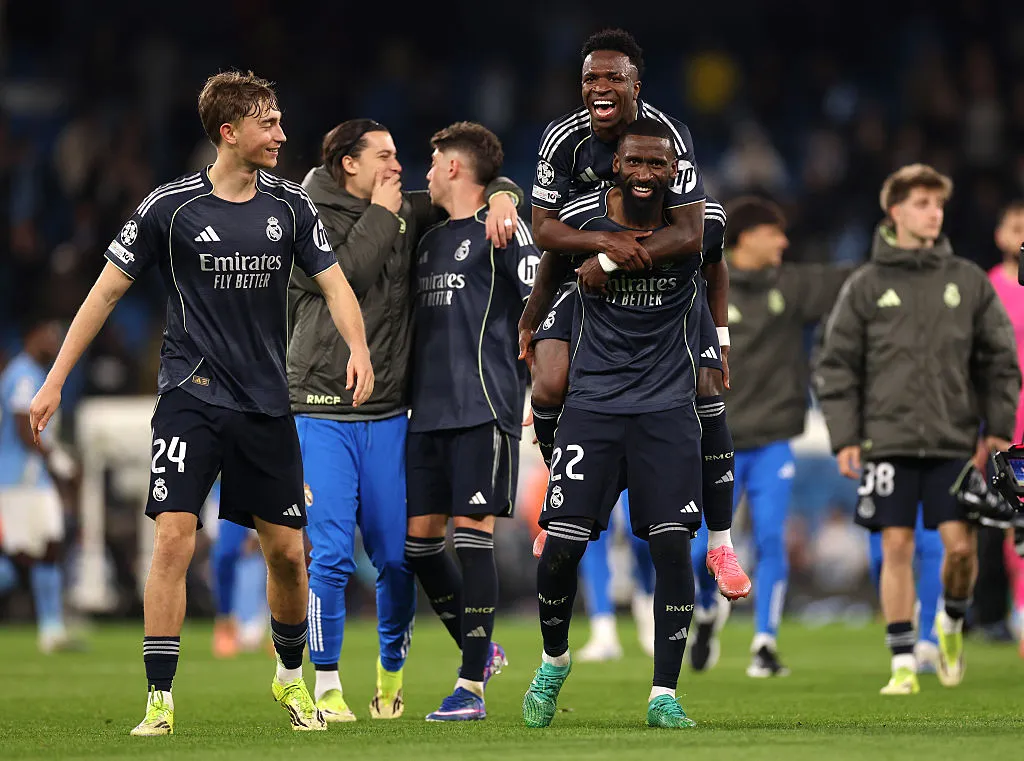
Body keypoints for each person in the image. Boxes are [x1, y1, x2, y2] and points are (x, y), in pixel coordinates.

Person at [28, 71, 374, 735]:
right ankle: (160, 698)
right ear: (229, 132)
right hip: (191, 395)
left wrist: (357, 348)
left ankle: (289, 675)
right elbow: (104, 293)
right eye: (267, 123)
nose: (280, 133)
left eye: (278, 121)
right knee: (173, 540)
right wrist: (54, 380)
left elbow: (334, 286)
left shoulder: (291, 207)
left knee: (286, 555)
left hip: (267, 403)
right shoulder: (170, 208)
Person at [288, 119, 522, 721]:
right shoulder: (299, 212)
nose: (400, 166)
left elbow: (475, 188)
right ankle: (326, 687)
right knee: (334, 555)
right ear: (349, 164)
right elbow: (352, 274)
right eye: (386, 156)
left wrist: (505, 195)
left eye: (404, 156)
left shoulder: (412, 213)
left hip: (394, 410)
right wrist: (387, 216)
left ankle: (392, 677)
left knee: (398, 556)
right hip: (323, 405)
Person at [521, 28, 747, 597]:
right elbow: (546, 231)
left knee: (708, 388)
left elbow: (696, 234)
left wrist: (718, 332)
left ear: (635, 85)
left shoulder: (668, 136)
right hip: (587, 277)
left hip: (667, 288)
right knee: (547, 386)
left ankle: (719, 542)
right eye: (590, 78)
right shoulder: (564, 139)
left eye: (612, 78)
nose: (599, 88)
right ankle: (562, 497)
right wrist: (537, 308)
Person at [523, 118, 705, 730]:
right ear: (616, 165)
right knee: (560, 553)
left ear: (673, 168)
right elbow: (548, 253)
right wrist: (531, 318)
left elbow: (710, 250)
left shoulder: (693, 223)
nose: (648, 175)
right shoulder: (582, 217)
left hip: (665, 408)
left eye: (660, 164)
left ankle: (664, 695)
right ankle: (554, 660)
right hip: (594, 407)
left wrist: (722, 337)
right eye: (637, 163)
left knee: (673, 550)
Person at [815, 163, 1020, 695]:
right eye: (924, 204)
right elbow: (836, 363)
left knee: (960, 550)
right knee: (897, 547)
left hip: (954, 442)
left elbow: (1000, 360)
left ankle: (950, 623)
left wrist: (997, 428)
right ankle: (903, 662)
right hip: (887, 441)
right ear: (896, 212)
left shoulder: (968, 281)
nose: (935, 213)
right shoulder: (866, 284)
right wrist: (845, 435)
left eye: (939, 204)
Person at [402, 122, 537, 722]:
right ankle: (481, 652)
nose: (424, 174)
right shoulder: (428, 239)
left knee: (471, 537)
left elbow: (545, 300)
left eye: (432, 163)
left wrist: (543, 373)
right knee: (420, 546)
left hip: (483, 406)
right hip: (425, 413)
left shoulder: (503, 231)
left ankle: (471, 689)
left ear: (455, 167)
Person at [688, 197, 852, 677]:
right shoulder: (704, 287)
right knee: (703, 551)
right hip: (717, 440)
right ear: (745, 238)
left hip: (774, 440)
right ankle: (703, 608)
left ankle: (764, 643)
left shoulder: (792, 286)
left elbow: (852, 279)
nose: (783, 241)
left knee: (771, 538)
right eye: (773, 232)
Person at [0, 314, 79, 653]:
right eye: (49, 336)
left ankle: (52, 630)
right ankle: (51, 627)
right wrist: (55, 458)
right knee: (20, 555)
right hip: (18, 481)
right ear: (31, 335)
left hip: (35, 481)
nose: (54, 343)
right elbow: (22, 429)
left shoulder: (38, 376)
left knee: (50, 547)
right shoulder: (21, 375)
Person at [980, 200, 1024, 652]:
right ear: (1000, 235)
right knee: (1013, 513)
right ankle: (1014, 607)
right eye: (1017, 227)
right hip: (1008, 416)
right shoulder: (987, 289)